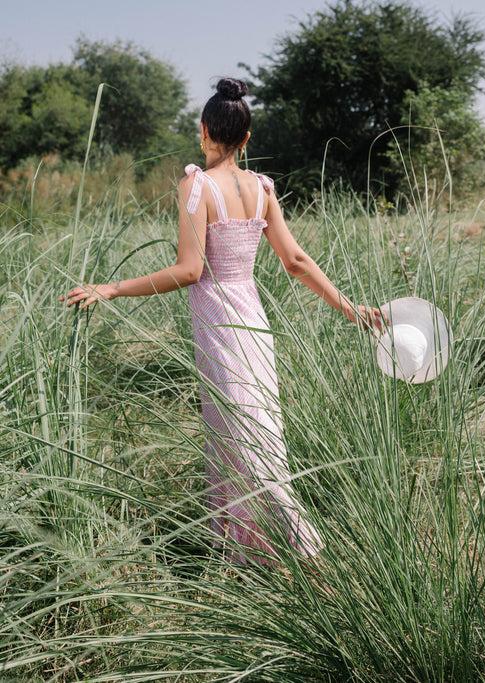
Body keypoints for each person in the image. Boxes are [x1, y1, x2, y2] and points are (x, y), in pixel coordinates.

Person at [59, 77, 388, 578]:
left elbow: (190, 270)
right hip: (253, 321)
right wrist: (352, 308)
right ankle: (249, 556)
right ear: (247, 137)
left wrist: (111, 288)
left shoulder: (197, 186)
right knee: (252, 431)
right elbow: (295, 261)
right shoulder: (262, 188)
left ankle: (303, 552)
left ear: (204, 131)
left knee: (245, 439)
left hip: (219, 324)